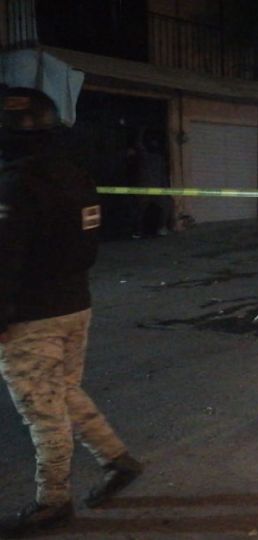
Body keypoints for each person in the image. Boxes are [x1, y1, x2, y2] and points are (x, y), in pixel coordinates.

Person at [0, 87, 143, 536]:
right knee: (63, 391)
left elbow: (6, 259)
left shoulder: (15, 185)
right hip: (75, 304)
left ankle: (53, 501)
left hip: (31, 315)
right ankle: (117, 460)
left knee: (42, 411)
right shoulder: (77, 176)